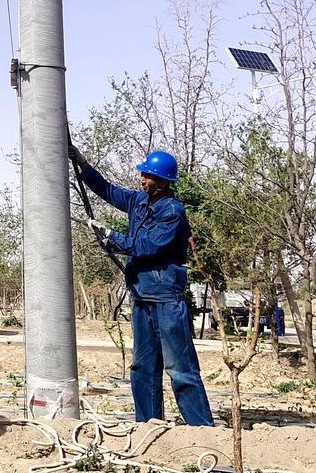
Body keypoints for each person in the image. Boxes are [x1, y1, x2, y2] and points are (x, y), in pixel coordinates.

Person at [70, 146, 215, 427]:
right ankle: (148, 425)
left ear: (162, 182)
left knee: (180, 369)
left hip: (166, 301)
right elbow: (108, 190)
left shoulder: (173, 211)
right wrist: (83, 166)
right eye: (142, 174)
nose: (141, 179)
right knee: (142, 368)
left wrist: (111, 235)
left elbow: (148, 245)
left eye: (147, 175)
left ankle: (203, 431)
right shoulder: (139, 202)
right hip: (142, 297)